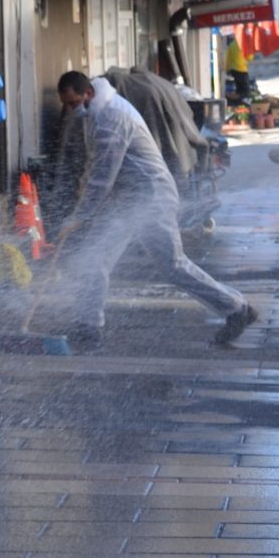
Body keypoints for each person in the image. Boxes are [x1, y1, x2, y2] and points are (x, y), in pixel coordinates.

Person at [48, 70, 254, 349]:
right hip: (126, 199)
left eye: (73, 102)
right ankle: (87, 327)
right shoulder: (96, 111)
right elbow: (96, 165)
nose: (71, 110)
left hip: (150, 198)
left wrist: (80, 216)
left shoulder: (112, 117)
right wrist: (83, 193)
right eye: (67, 104)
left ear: (88, 93)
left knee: (173, 266)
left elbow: (102, 176)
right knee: (95, 257)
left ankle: (236, 308)